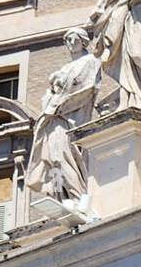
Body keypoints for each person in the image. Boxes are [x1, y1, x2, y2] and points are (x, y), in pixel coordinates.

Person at [26, 28, 102, 202]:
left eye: (74, 40)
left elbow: (86, 88)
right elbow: (50, 93)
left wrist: (58, 101)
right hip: (53, 118)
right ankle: (60, 197)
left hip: (69, 118)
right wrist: (52, 97)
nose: (70, 43)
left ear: (83, 41)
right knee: (52, 159)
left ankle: (77, 196)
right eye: (67, 40)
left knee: (63, 156)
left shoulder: (90, 61)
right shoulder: (66, 67)